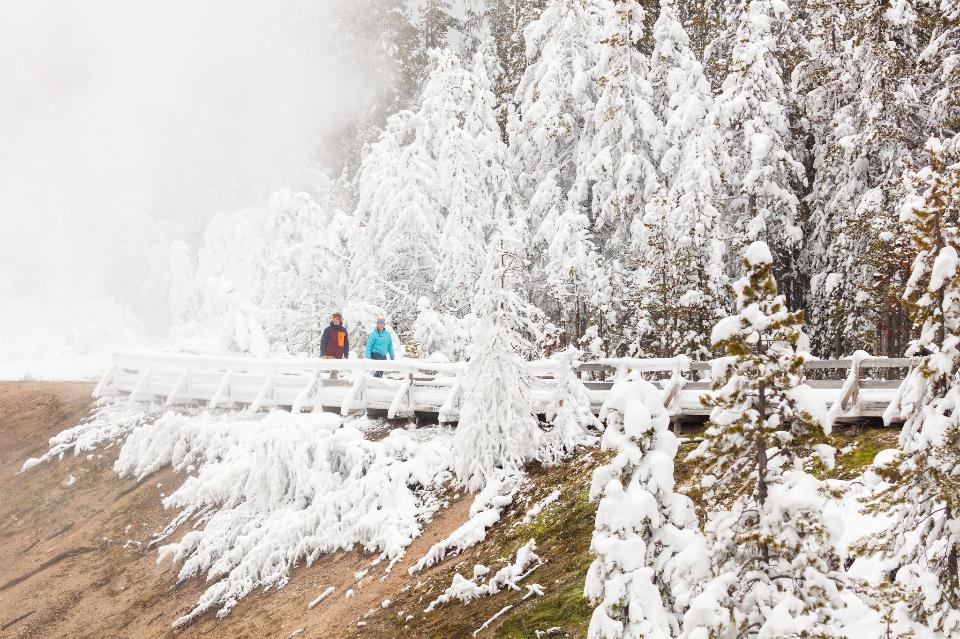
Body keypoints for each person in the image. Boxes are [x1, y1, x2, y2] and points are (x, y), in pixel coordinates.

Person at [320, 312, 349, 379]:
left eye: (337, 319)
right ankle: (320, 382)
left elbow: (346, 344)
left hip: (338, 356)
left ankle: (332, 384)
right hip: (329, 355)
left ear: (340, 320)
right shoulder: (328, 330)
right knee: (333, 369)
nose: (335, 320)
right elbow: (323, 342)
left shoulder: (343, 331)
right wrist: (323, 354)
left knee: (334, 372)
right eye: (334, 318)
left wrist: (346, 355)